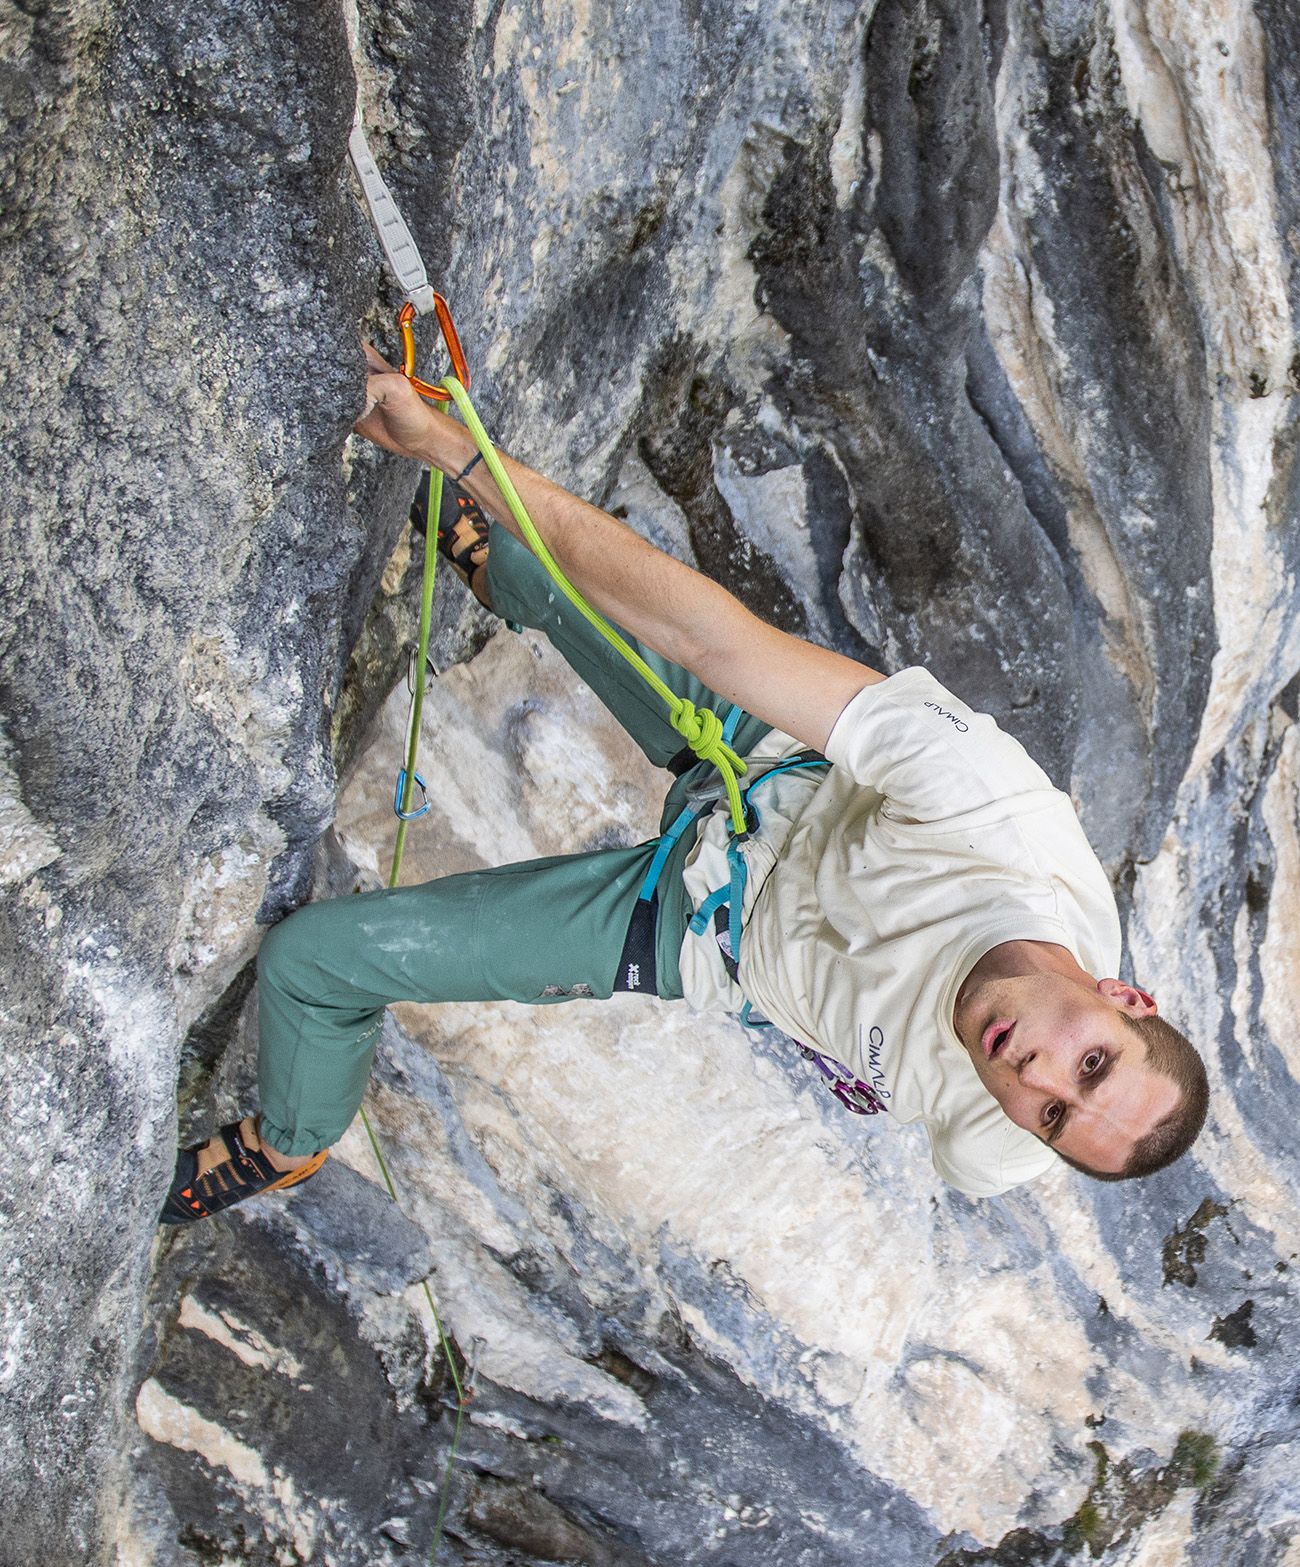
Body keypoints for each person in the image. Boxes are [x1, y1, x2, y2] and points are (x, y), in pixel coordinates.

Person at [160, 347, 1208, 1224]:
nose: (1030, 1077)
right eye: (1088, 1066)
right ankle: (488, 543)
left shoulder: (989, 1149)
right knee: (558, 582)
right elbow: (708, 636)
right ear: (1123, 997)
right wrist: (454, 448)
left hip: (692, 930)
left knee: (316, 961)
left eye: (1053, 1116)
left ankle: (291, 1140)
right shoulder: (994, 814)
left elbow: (998, 1111)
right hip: (760, 767)